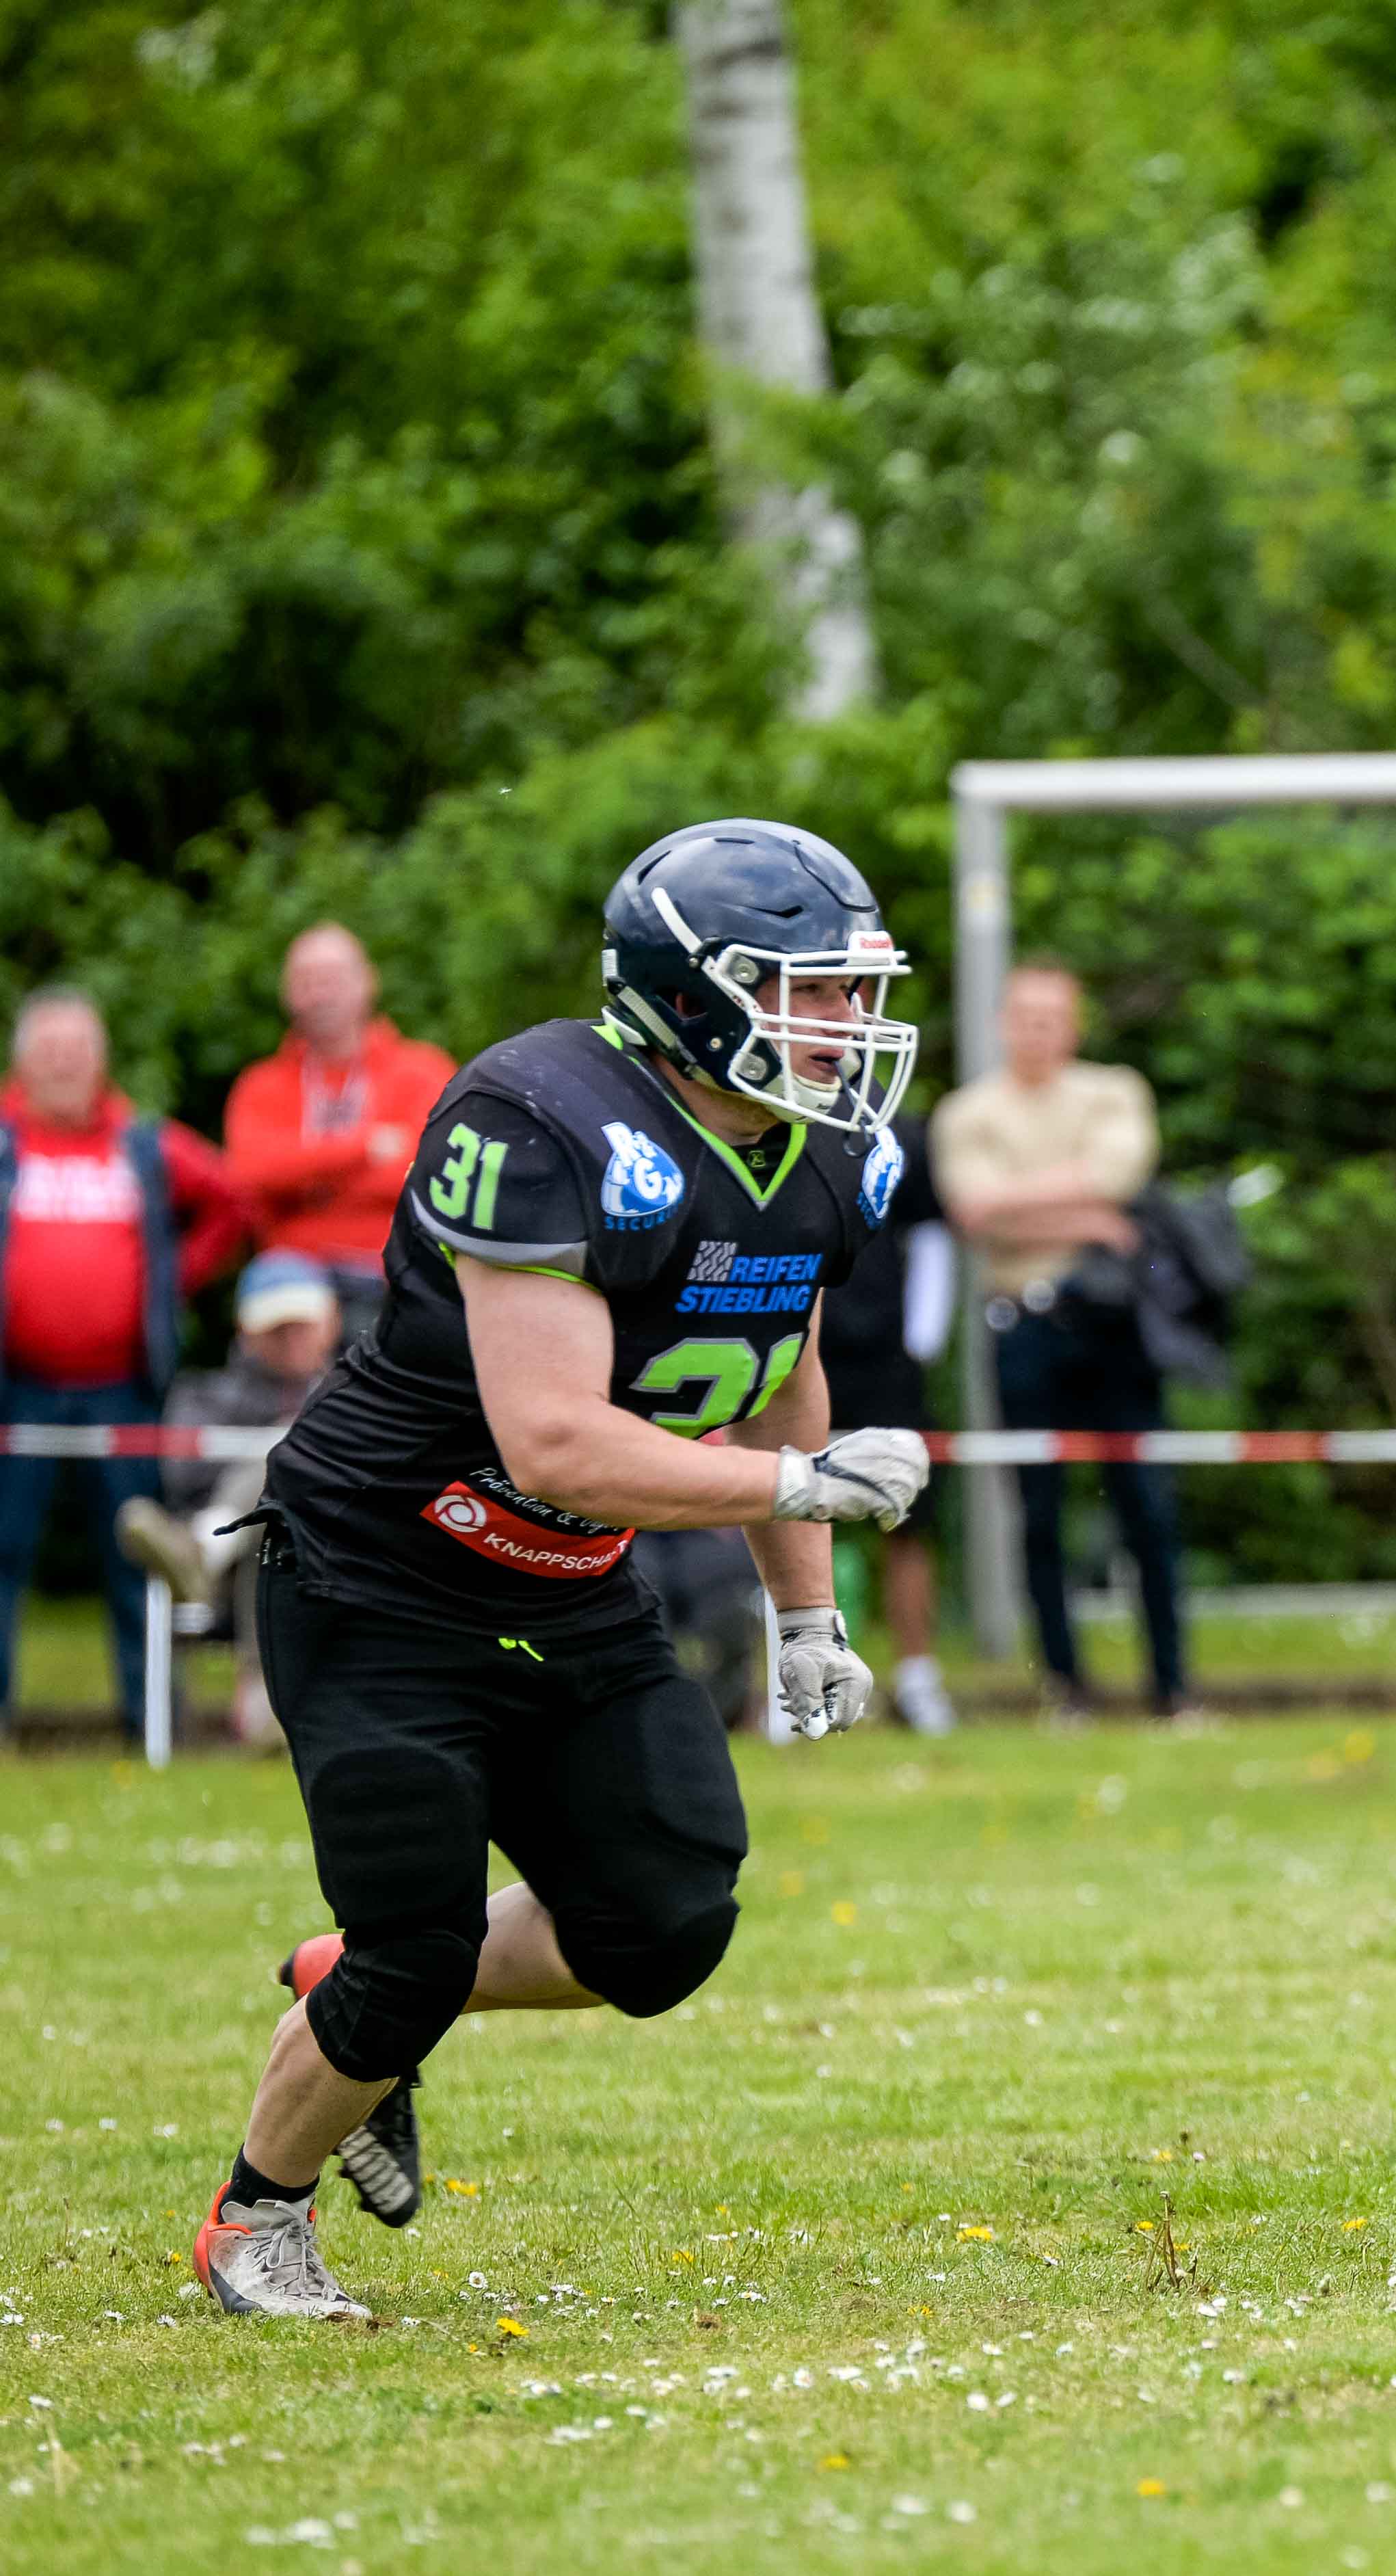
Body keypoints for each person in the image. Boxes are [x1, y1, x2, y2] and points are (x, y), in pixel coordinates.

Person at [198, 819, 931, 2320]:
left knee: (661, 1921)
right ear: (690, 990)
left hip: (562, 1580)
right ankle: (255, 2216)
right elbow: (553, 1443)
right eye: (807, 989)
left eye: (855, 991)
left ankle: (347, 1985)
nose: (845, 1025)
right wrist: (799, 1484)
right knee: (418, 1941)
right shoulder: (539, 1114)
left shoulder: (828, 1147)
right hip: (380, 1570)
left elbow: (779, 1364)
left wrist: (806, 1605)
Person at [935, 964, 1186, 1715]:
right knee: (1037, 1511)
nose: (1036, 1030)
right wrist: (1084, 1213)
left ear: (1073, 1025)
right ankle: (1065, 1686)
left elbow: (1120, 1177)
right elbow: (973, 1207)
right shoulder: (967, 1111)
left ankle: (1171, 1686)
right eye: (1023, 1015)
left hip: (1114, 1325)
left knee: (1149, 1503)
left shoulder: (1113, 1090)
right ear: (1001, 1021)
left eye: (1051, 1016)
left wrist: (1023, 1204)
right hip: (1022, 1323)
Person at [1, 988, 247, 1729]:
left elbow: (231, 1199)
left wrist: (167, 1282)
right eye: (49, 1049)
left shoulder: (142, 1142)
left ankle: (151, 1717)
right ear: (22, 1062)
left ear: (101, 1059)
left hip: (124, 1390)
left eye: (77, 1048)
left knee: (136, 1556)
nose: (64, 1063)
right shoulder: (6, 1140)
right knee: (4, 1553)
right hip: (17, 1389)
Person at [117, 1252, 348, 1739]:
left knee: (282, 1464)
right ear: (246, 1330)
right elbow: (181, 1475)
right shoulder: (204, 1394)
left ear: (331, 1323)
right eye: (276, 1326)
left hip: (336, 1555)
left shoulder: (355, 1394)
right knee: (274, 1508)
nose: (290, 1337)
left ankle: (200, 1549)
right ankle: (263, 1708)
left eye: (301, 1324)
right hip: (246, 1565)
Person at [223, 923, 456, 1337]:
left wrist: (305, 1183)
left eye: (332, 979)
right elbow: (250, 1176)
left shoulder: (423, 1071)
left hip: (392, 1269)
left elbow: (432, 1175)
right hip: (295, 1280)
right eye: (306, 982)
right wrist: (364, 1151)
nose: (320, 994)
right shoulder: (261, 1085)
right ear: (287, 994)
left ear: (368, 982)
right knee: (282, 1299)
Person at [811, 1106, 958, 1735]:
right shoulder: (753, 1110)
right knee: (794, 1511)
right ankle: (801, 1681)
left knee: (908, 1518)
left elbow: (931, 1234)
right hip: (796, 1350)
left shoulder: (899, 1127)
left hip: (885, 1359)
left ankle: (917, 1677)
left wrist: (920, 1339)